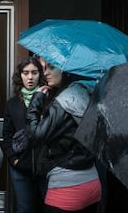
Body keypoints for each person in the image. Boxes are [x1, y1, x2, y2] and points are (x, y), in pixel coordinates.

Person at [26, 61, 101, 213]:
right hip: (92, 181)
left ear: (67, 70)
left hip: (67, 185)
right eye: (44, 68)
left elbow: (34, 136)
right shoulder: (89, 92)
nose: (45, 73)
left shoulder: (63, 102)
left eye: (51, 67)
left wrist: (35, 102)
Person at [3, 56, 46, 213]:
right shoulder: (12, 103)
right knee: (24, 208)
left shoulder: (48, 100)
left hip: (45, 167)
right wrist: (14, 159)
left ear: (40, 75)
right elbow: (7, 133)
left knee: (47, 207)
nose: (30, 77)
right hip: (20, 166)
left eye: (34, 73)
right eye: (25, 73)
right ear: (19, 75)